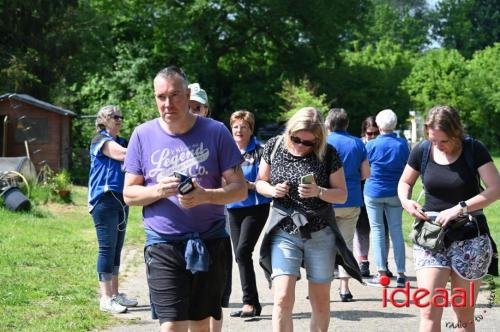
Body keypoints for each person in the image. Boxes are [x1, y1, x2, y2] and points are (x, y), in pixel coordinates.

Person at [123, 66, 247, 332]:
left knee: (201, 324)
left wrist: (205, 196)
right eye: (161, 97)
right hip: (163, 244)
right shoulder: (142, 135)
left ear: (188, 95)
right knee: (172, 326)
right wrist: (158, 191)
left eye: (175, 95)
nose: (168, 104)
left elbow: (240, 189)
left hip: (209, 241)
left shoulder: (216, 132)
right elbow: (129, 194)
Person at [256, 107, 363, 332]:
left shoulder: (328, 153)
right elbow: (260, 182)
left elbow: (342, 194)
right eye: (297, 140)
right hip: (284, 230)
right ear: (290, 131)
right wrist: (272, 190)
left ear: (319, 139)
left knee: (321, 302)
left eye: (309, 143)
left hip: (320, 232)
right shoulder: (274, 146)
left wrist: (319, 192)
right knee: (282, 297)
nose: (302, 146)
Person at [398, 105, 500, 332]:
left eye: (443, 141)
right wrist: (407, 202)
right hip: (431, 238)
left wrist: (460, 208)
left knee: (463, 313)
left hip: (470, 238)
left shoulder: (474, 149)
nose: (438, 146)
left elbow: (496, 189)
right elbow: (405, 182)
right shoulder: (422, 150)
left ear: (456, 133)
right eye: (433, 140)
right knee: (428, 309)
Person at [88, 105, 138, 314]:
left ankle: (115, 294)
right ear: (103, 120)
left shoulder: (123, 141)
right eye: (113, 116)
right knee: (107, 248)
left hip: (121, 198)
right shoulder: (100, 140)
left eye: (121, 116)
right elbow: (123, 155)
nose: (119, 119)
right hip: (104, 199)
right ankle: (105, 298)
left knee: (117, 248)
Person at [226, 110, 271, 318]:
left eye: (243, 126)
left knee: (243, 252)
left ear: (250, 129)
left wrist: (249, 185)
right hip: (233, 209)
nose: (238, 130)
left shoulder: (261, 151)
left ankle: (250, 303)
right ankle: (252, 304)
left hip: (256, 208)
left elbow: (266, 182)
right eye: (235, 126)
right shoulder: (226, 150)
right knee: (240, 256)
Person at [325, 108, 370, 302]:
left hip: (327, 199)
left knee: (323, 245)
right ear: (347, 124)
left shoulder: (323, 143)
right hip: (351, 198)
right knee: (346, 245)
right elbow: (366, 173)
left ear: (328, 124)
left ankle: (321, 287)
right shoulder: (358, 143)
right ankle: (344, 289)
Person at [364, 109, 409, 288]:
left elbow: (365, 169)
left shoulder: (371, 145)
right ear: (395, 124)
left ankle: (381, 272)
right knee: (396, 231)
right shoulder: (402, 145)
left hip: (374, 191)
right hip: (396, 192)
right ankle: (401, 274)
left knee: (377, 231)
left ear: (378, 125)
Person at [353, 116, 393, 277]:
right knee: (362, 229)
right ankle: (363, 262)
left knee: (383, 230)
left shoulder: (383, 145)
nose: (373, 136)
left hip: (381, 191)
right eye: (370, 133)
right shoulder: (359, 146)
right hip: (362, 192)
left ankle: (383, 263)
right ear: (364, 132)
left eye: (376, 132)